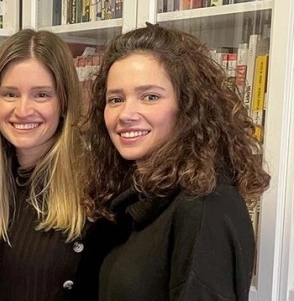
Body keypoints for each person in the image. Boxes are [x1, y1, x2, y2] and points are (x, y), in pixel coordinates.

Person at [84, 24, 271, 300]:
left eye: (150, 97)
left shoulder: (206, 207)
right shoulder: (133, 196)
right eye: (115, 99)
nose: (126, 114)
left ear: (188, 106)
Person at [0, 29, 107, 300]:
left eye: (41, 95)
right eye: (10, 94)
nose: (23, 110)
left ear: (64, 103)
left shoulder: (96, 189)